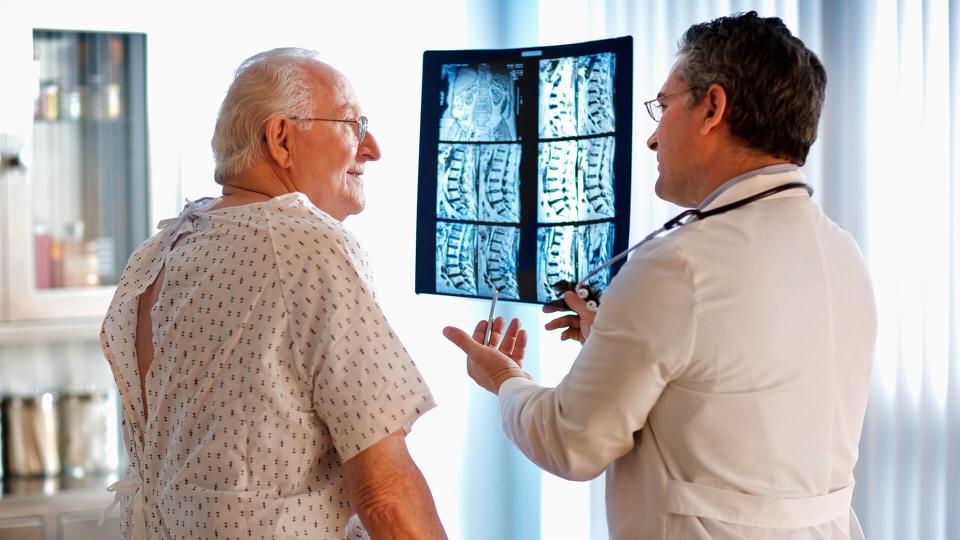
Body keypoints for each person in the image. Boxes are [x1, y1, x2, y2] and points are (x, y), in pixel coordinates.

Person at [444, 12, 876, 540]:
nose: (651, 138)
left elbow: (571, 445)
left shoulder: (677, 266)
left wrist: (504, 378)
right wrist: (619, 342)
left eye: (664, 106)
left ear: (711, 108)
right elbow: (739, 405)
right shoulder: (843, 253)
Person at [101, 48, 446, 539]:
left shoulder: (159, 254)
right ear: (281, 138)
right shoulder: (308, 245)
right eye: (353, 124)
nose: (372, 148)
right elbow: (385, 495)